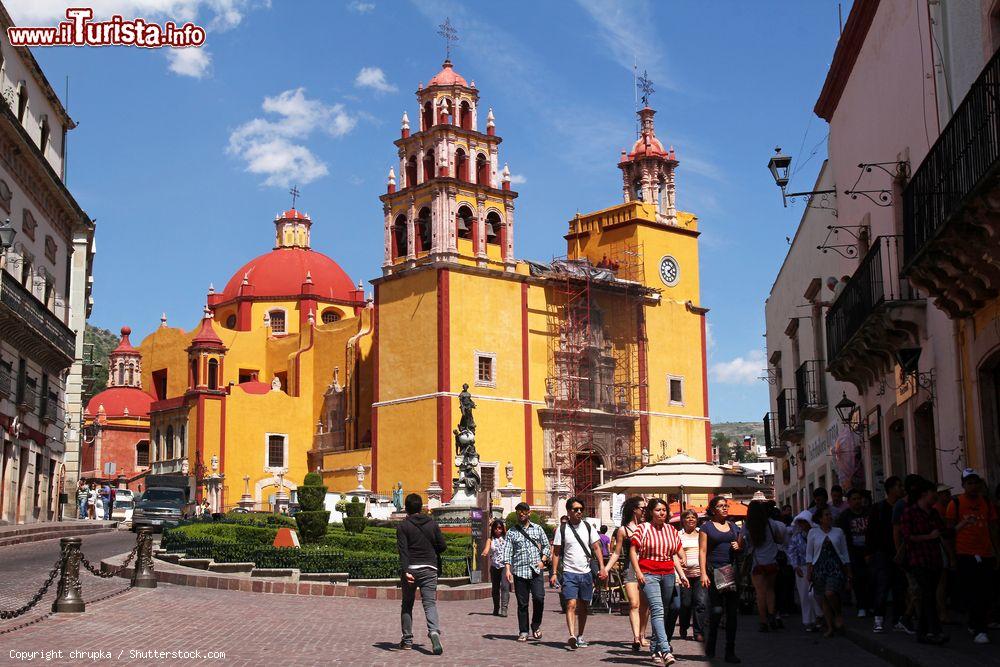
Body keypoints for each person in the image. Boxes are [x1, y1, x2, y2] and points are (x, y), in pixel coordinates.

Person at [630, 498, 686, 666]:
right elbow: (633, 550)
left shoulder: (671, 530)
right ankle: (665, 650)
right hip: (649, 574)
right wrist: (638, 571)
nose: (662, 513)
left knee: (665, 612)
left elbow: (674, 554)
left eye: (664, 510)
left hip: (668, 573)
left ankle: (654, 648)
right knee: (658, 609)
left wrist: (682, 574)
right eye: (658, 510)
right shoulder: (643, 528)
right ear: (651, 512)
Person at [945, 468, 998, 645]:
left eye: (976, 482)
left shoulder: (987, 503)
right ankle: (978, 627)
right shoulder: (955, 504)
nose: (973, 486)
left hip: (986, 552)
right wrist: (952, 557)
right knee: (973, 591)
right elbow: (950, 532)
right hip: (965, 553)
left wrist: (996, 551)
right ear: (963, 485)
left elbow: (992, 528)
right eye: (969, 483)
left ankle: (978, 624)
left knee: (985, 591)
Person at [551, 497, 607, 650]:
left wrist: (602, 567)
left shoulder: (588, 527)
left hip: (586, 572)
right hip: (569, 572)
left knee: (583, 606)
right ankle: (572, 635)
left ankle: (580, 635)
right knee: (570, 603)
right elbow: (556, 552)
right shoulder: (562, 529)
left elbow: (596, 548)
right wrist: (554, 573)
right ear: (569, 511)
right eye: (575, 509)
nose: (579, 512)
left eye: (581, 509)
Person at [395, 493, 446, 654]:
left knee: (407, 604)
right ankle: (434, 632)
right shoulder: (432, 523)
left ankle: (408, 640)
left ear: (407, 508)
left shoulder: (403, 526)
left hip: (411, 569)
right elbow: (442, 546)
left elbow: (403, 551)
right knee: (429, 603)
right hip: (430, 567)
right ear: (421, 507)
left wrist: (406, 571)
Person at [900, 478, 948, 645]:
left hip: (934, 559)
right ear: (924, 494)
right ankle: (936, 631)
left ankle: (921, 632)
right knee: (928, 594)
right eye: (933, 492)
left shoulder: (933, 513)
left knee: (928, 596)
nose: (936, 495)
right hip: (918, 559)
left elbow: (944, 532)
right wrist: (928, 536)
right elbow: (907, 537)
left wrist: (963, 524)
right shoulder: (909, 512)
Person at [602, 496, 650, 652]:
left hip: (647, 568)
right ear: (633, 509)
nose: (644, 510)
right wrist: (606, 568)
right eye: (642, 508)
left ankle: (643, 634)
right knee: (634, 604)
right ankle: (636, 637)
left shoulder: (648, 527)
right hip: (630, 569)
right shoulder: (623, 530)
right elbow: (616, 553)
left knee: (645, 606)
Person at [699, 495, 742, 663]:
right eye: (720, 506)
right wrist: (703, 573)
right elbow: (702, 551)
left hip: (729, 572)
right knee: (716, 611)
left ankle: (730, 651)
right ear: (713, 509)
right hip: (713, 570)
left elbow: (740, 545)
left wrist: (739, 546)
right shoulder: (706, 527)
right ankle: (711, 645)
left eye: (726, 506)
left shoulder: (733, 527)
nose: (725, 508)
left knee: (732, 614)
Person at [503, 502, 551, 642]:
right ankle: (523, 631)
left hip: (536, 570)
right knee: (522, 603)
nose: (521, 514)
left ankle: (535, 625)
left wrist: (543, 560)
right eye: (518, 511)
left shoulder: (537, 529)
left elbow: (547, 546)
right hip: (519, 571)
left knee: (539, 598)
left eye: (524, 511)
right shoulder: (511, 532)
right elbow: (507, 551)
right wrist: (507, 569)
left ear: (529, 513)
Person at [866, 475, 907, 634]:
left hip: (899, 552)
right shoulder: (879, 508)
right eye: (898, 486)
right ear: (890, 489)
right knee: (882, 586)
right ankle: (878, 619)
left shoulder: (903, 507)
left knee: (899, 587)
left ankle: (897, 619)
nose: (901, 489)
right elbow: (870, 531)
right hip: (882, 553)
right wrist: (869, 552)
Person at [740, 499, 786, 631]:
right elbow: (780, 539)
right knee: (771, 590)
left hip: (757, 563)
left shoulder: (748, 525)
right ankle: (772, 616)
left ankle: (763, 621)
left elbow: (741, 544)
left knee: (760, 593)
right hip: (772, 561)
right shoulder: (771, 523)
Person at [806, 506, 851, 637]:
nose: (829, 517)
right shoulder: (813, 533)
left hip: (835, 567)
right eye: (826, 515)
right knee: (823, 598)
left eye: (830, 515)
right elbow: (809, 553)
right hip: (819, 567)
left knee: (830, 593)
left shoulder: (838, 532)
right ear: (820, 518)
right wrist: (809, 571)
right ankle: (830, 626)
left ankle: (838, 613)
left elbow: (844, 551)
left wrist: (848, 571)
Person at [836, 488, 871, 617]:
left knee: (870, 578)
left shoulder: (868, 513)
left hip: (868, 550)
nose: (857, 501)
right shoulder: (845, 517)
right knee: (858, 579)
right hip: (853, 552)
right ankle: (861, 605)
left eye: (858, 499)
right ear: (849, 502)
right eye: (854, 499)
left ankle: (869, 604)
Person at [788, 511, 821, 631]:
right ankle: (808, 620)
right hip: (802, 568)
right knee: (804, 595)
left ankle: (819, 617)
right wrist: (795, 566)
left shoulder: (817, 535)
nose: (802, 524)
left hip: (816, 567)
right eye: (800, 522)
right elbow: (791, 552)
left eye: (804, 522)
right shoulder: (796, 537)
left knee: (815, 594)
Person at [677, 509, 706, 642]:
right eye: (688, 517)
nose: (691, 520)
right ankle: (683, 626)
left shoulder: (702, 533)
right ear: (683, 520)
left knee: (700, 603)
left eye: (693, 517)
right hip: (685, 575)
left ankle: (698, 632)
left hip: (700, 573)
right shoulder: (679, 535)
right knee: (686, 603)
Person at [481, 519, 510, 617]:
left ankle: (504, 609)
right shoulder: (490, 540)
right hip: (494, 566)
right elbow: (486, 548)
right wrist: (485, 552)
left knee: (505, 587)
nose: (498, 530)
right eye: (496, 528)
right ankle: (496, 608)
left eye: (500, 528)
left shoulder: (507, 538)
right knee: (495, 588)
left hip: (505, 566)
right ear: (493, 529)